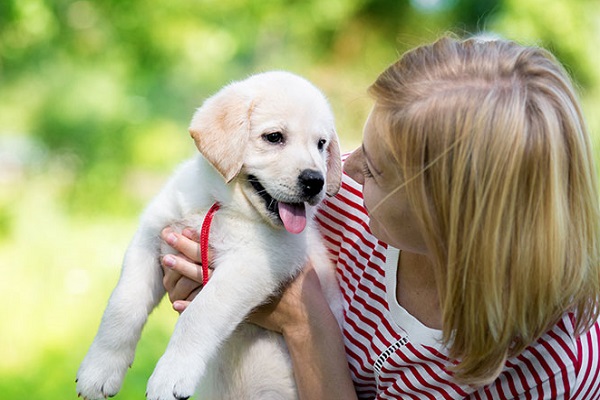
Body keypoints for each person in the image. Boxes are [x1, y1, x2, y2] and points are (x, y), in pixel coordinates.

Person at [160, 36, 600, 399]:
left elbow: (294, 309)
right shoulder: (340, 204)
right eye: (358, 147)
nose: (344, 171)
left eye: (375, 169)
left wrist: (301, 318)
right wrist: (197, 271)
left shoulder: (546, 373)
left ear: (446, 214)